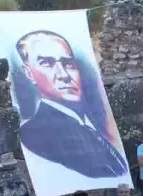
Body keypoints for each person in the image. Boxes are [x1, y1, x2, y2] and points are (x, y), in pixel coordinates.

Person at [14, 30, 130, 182]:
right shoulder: (32, 135)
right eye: (47, 63)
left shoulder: (90, 126)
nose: (63, 75)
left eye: (68, 64)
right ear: (29, 73)